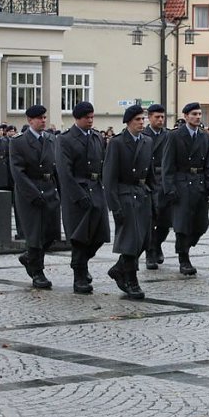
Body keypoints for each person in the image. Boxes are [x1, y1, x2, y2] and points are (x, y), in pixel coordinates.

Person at [55, 101, 110, 294]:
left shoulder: (96, 137)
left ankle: (81, 263)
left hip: (96, 188)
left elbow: (102, 164)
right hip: (77, 192)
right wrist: (77, 195)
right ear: (77, 118)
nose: (90, 120)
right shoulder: (66, 139)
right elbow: (64, 172)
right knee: (80, 237)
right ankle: (79, 274)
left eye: (92, 117)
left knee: (99, 234)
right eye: (87, 117)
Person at [104, 104, 155, 298]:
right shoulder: (117, 143)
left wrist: (154, 194)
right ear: (128, 122)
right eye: (137, 120)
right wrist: (114, 205)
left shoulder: (147, 141)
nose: (141, 123)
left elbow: (150, 171)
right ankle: (132, 280)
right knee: (132, 241)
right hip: (125, 193)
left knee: (144, 240)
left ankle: (119, 268)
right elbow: (109, 176)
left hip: (142, 193)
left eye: (143, 119)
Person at [10, 104, 61, 289]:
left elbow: (55, 167)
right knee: (35, 234)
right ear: (30, 121)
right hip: (29, 191)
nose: (43, 121)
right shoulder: (19, 141)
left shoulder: (50, 138)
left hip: (49, 188)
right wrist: (33, 194)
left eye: (44, 118)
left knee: (51, 232)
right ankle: (37, 271)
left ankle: (29, 257)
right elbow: (18, 172)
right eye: (39, 118)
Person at [162, 102, 209, 275]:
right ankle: (183, 258)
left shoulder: (204, 136)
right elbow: (167, 164)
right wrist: (169, 188)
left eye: (199, 114)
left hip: (198, 183)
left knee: (202, 224)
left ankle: (186, 247)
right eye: (194, 114)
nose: (198, 117)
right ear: (185, 116)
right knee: (182, 225)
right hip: (181, 183)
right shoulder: (175, 136)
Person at [144, 104, 171, 269]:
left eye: (162, 117)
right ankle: (150, 252)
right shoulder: (143, 134)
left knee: (165, 220)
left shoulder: (168, 135)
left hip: (164, 179)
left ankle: (157, 244)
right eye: (157, 117)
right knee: (149, 219)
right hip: (147, 180)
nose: (160, 120)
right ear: (150, 117)